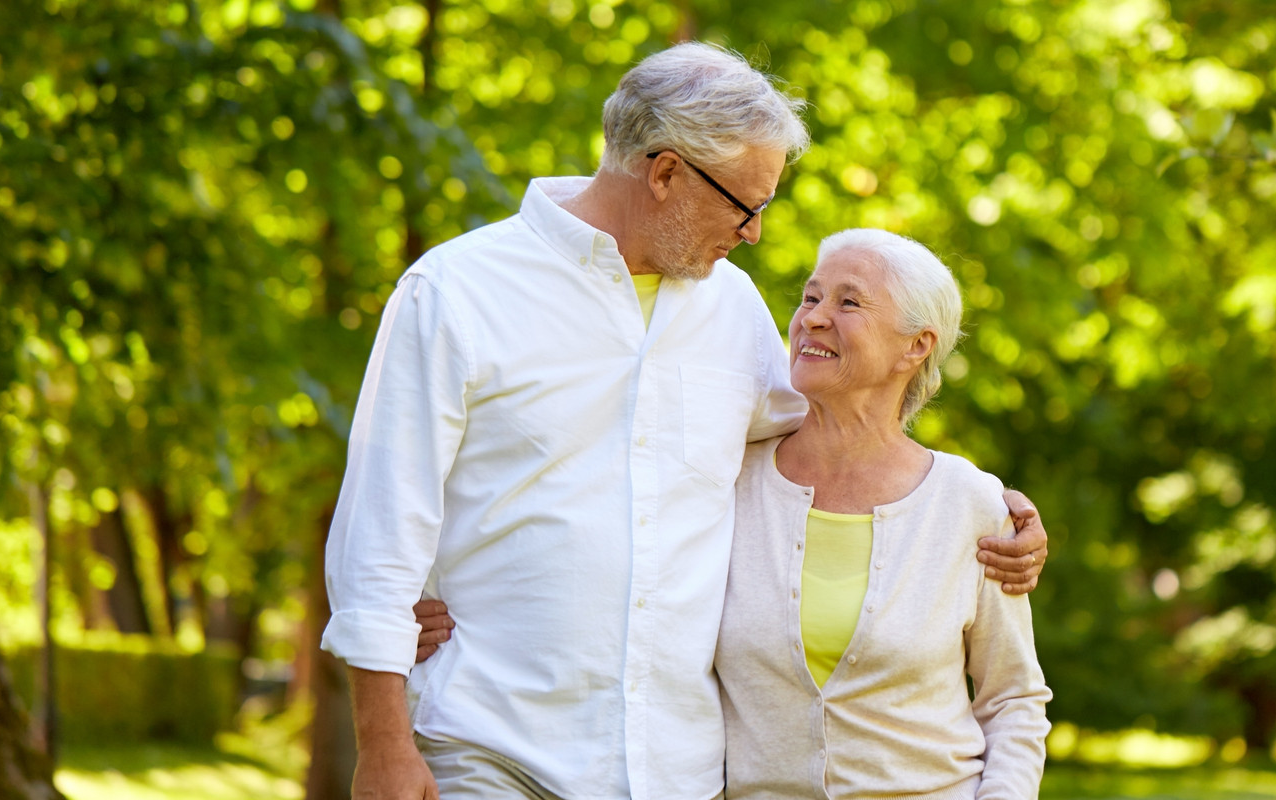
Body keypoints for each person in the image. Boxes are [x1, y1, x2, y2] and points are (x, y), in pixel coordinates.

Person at [320, 43, 1048, 800]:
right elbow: (379, 534)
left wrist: (990, 512)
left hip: (676, 772)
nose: (755, 233)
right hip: (493, 749)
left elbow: (841, 428)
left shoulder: (731, 309)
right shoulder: (457, 292)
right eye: (746, 205)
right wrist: (383, 745)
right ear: (665, 172)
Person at [716, 229, 1049, 799]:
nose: (814, 318)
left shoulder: (970, 504)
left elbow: (1013, 698)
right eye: (810, 297)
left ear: (916, 346)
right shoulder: (728, 478)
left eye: (849, 302)